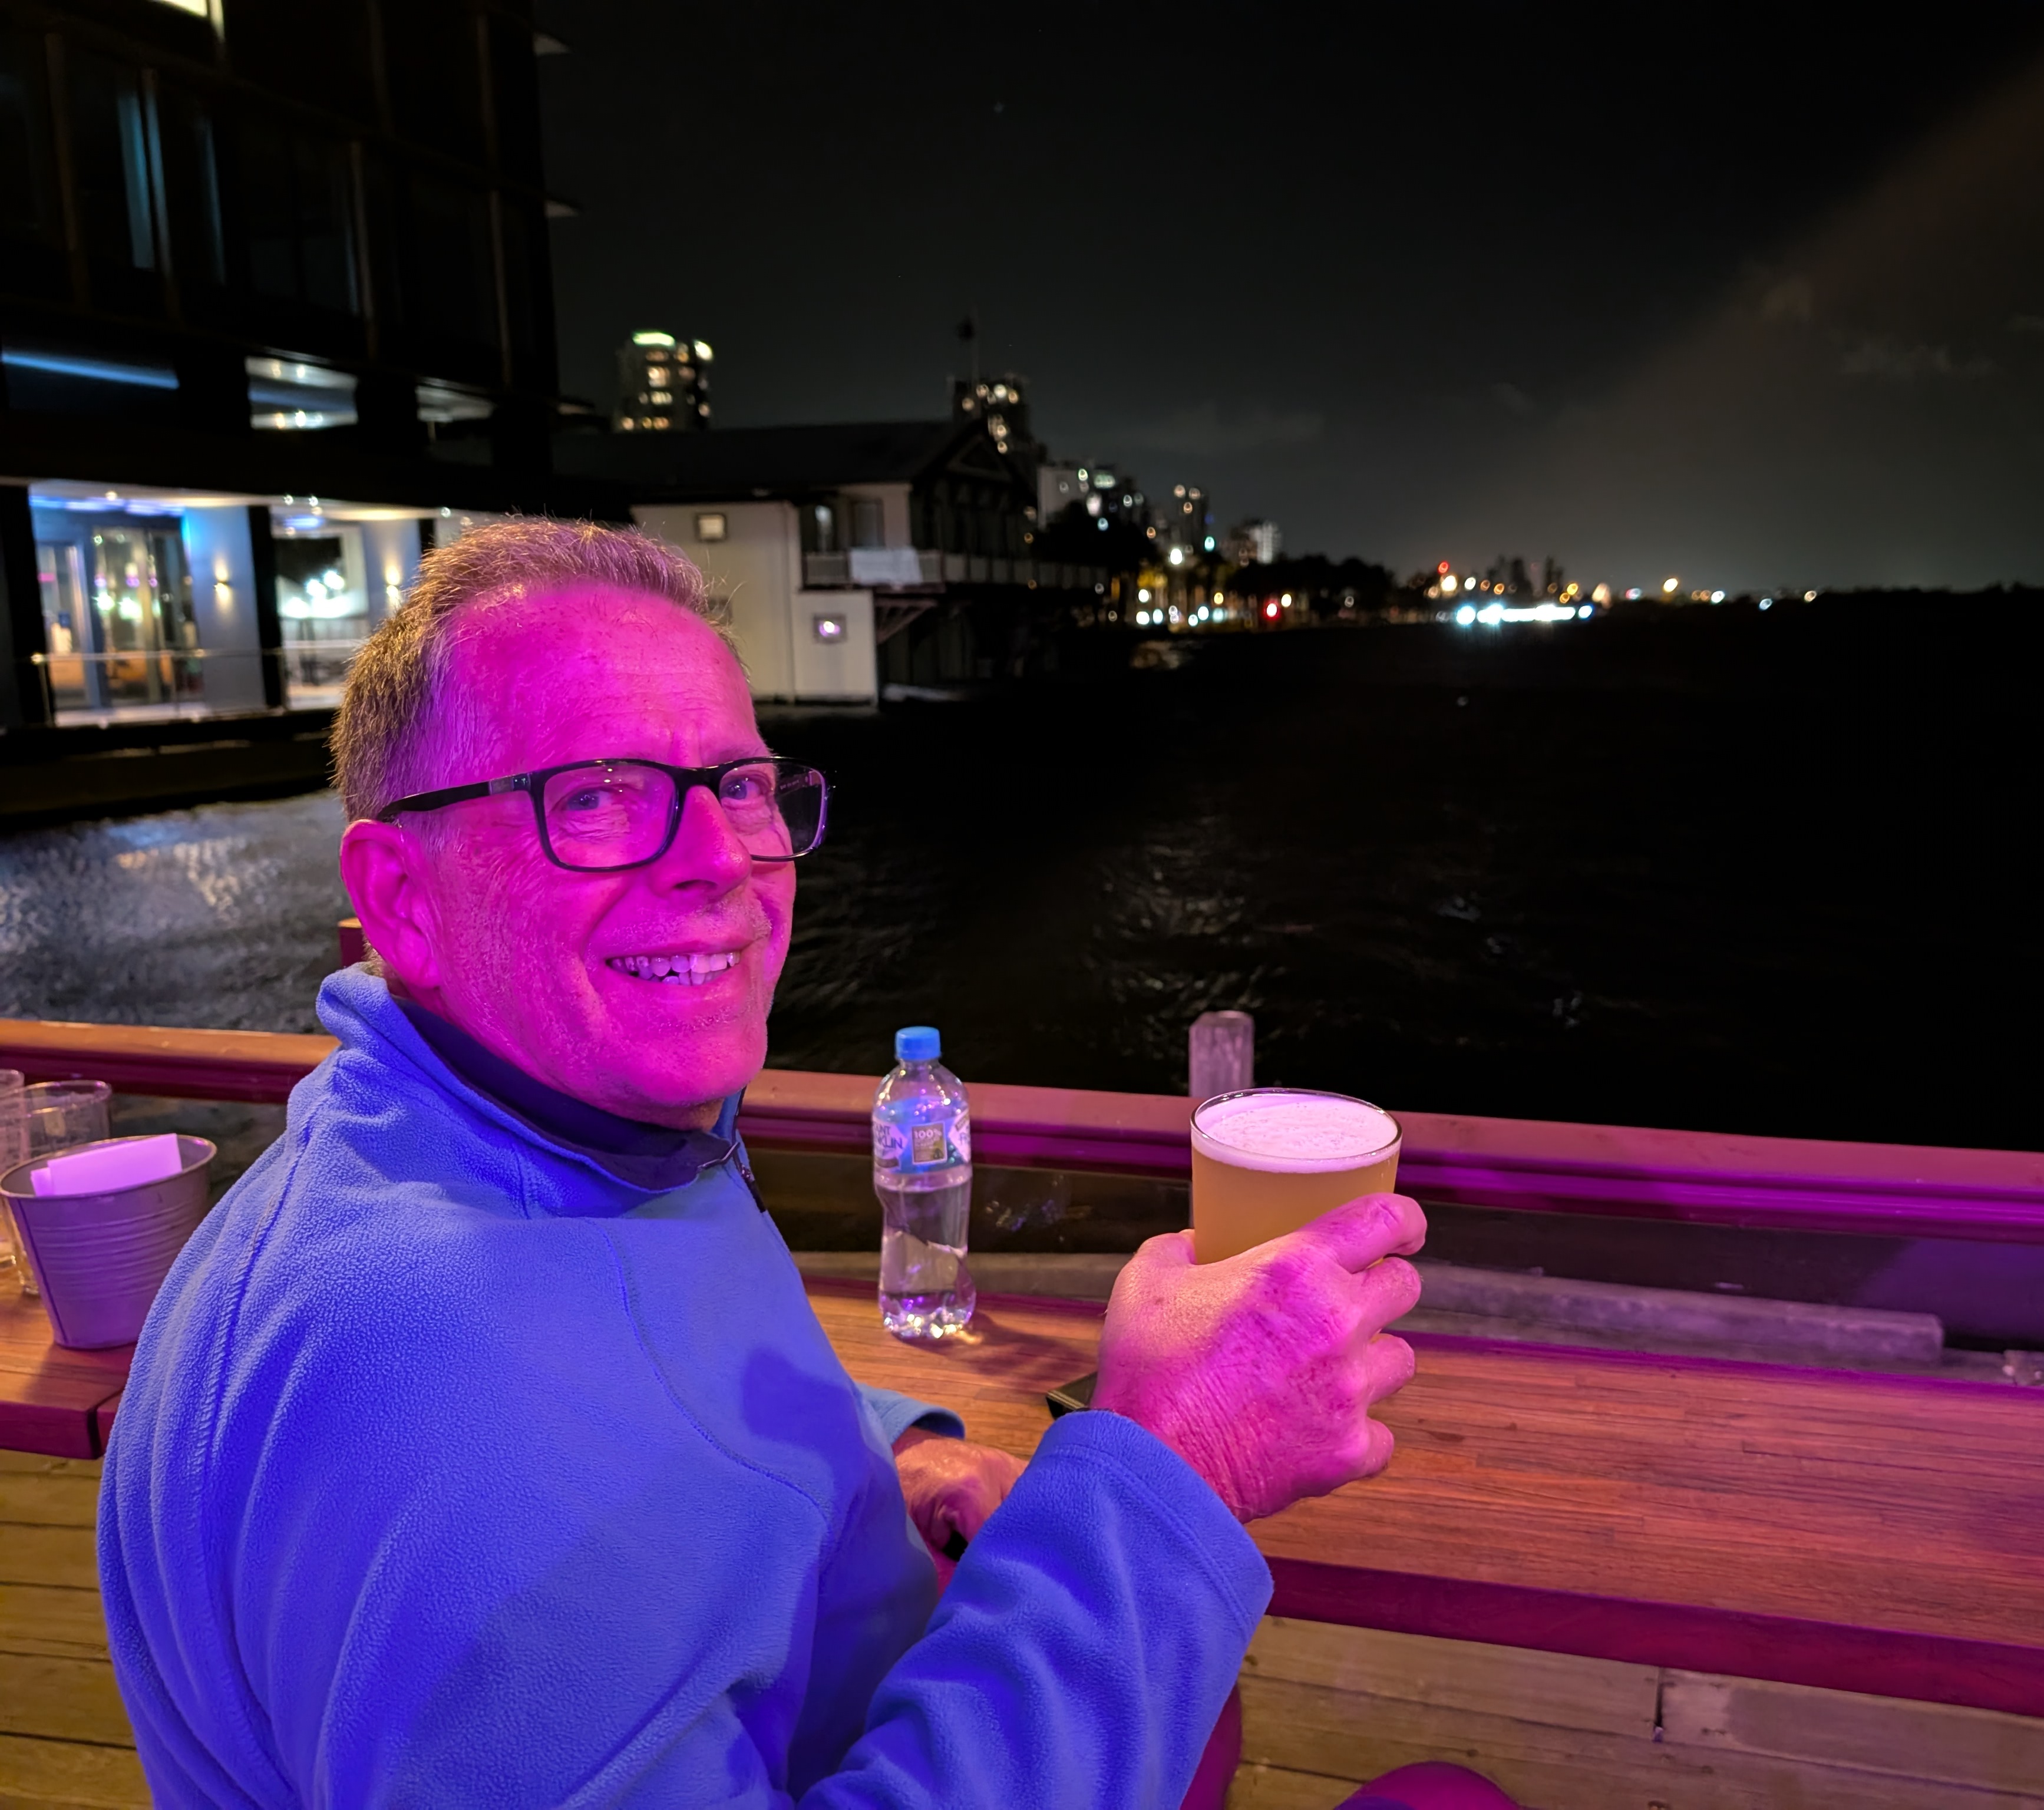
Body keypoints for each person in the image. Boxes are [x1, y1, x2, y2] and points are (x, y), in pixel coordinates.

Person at [95, 521, 1482, 1809]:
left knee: (1202, 1715)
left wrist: (892, 1454)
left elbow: (647, 1389)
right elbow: (546, 1452)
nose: (723, 860)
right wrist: (1183, 1457)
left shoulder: (515, 1142)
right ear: (403, 902)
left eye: (740, 785)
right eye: (595, 797)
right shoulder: (450, 1418)